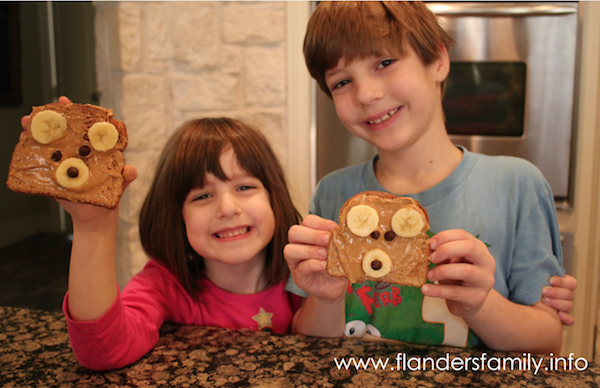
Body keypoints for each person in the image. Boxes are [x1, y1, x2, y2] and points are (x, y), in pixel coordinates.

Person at [284, 1, 576, 354]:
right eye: (343, 81)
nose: (366, 94)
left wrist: (480, 305)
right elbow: (307, 343)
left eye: (385, 63)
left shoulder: (517, 186)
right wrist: (327, 299)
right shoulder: (333, 194)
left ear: (438, 60)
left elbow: (546, 344)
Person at [23, 98, 302, 370]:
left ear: (274, 197)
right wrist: (92, 226)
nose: (228, 208)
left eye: (244, 187)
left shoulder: (301, 276)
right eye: (203, 195)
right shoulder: (164, 285)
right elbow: (105, 350)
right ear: (176, 217)